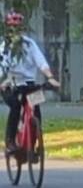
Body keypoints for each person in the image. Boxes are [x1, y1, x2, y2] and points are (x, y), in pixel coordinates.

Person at [0, 11, 60, 154]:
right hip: (11, 84)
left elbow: (41, 62)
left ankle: (37, 142)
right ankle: (10, 141)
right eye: (12, 28)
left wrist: (50, 78)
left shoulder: (29, 44)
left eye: (18, 28)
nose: (15, 31)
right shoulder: (4, 46)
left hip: (29, 84)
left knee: (36, 108)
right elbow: (2, 65)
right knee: (15, 107)